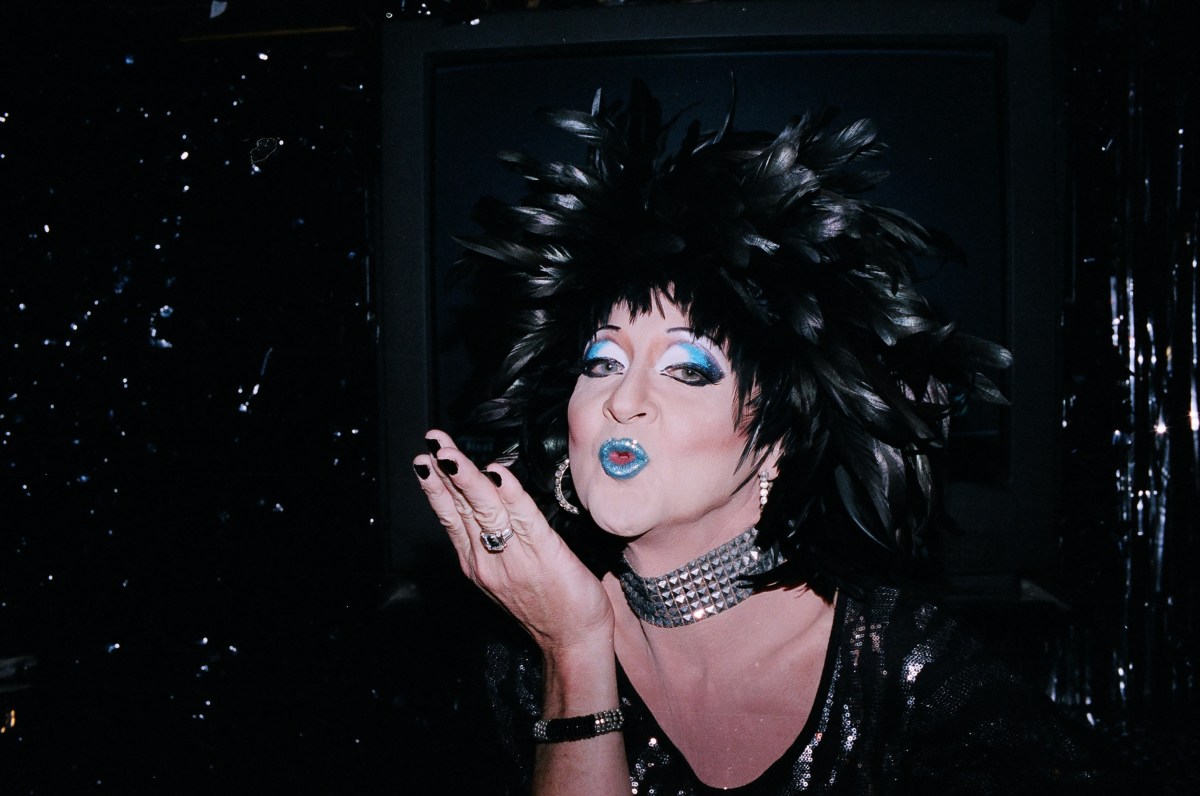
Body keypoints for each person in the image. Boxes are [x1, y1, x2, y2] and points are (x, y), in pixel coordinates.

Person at [412, 80, 1108, 794]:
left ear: (780, 442)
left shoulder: (916, 678)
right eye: (603, 361)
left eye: (688, 369)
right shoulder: (528, 654)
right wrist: (575, 650)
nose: (622, 401)